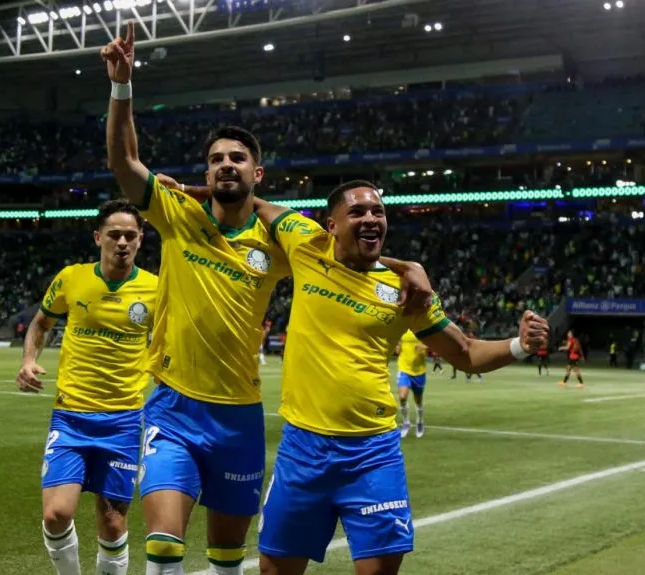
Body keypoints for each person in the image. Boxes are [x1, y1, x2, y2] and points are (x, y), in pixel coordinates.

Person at [101, 24, 432, 575]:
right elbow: (123, 162)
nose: (225, 164)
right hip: (173, 404)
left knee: (230, 558)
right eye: (215, 159)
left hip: (239, 416)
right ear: (205, 172)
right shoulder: (177, 214)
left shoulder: (283, 238)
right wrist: (122, 86)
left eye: (237, 158)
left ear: (257, 173)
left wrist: (409, 265)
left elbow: (349, 247)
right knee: (162, 546)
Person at [248, 181, 550, 574]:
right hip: (303, 447)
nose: (371, 218)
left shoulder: (408, 291)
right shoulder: (305, 244)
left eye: (378, 211)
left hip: (372, 453)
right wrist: (181, 188)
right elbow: (246, 200)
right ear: (331, 225)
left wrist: (521, 345)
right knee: (275, 570)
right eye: (357, 212)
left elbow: (465, 353)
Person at [16, 199, 158, 575]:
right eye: (114, 235)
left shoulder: (157, 289)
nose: (122, 242)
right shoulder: (72, 277)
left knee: (112, 523)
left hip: (124, 421)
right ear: (99, 237)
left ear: (141, 240)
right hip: (71, 416)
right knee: (56, 513)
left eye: (130, 235)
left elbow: (166, 347)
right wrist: (29, 359)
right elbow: (41, 323)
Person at [395, 330, 429, 439]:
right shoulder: (402, 327)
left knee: (418, 400)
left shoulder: (423, 328)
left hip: (419, 371)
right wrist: (397, 348)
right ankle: (406, 422)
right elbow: (398, 347)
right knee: (402, 397)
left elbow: (433, 345)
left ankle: (420, 421)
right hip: (404, 368)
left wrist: (424, 347)